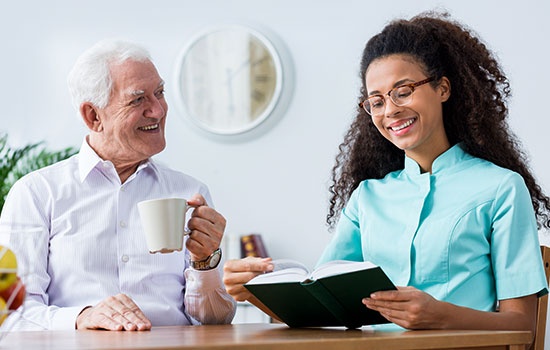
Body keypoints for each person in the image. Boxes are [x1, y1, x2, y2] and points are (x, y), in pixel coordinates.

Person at [223, 11, 550, 335]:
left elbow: (522, 324)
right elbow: (321, 306)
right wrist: (254, 291)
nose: (390, 110)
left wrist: (440, 315)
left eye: (403, 91)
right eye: (376, 101)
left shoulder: (500, 188)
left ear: (443, 89)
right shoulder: (368, 198)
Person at [0, 39, 236, 331]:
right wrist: (81, 317)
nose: (158, 110)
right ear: (93, 116)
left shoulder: (189, 192)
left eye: (159, 93)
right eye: (138, 100)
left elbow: (214, 321)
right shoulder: (36, 193)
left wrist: (205, 262)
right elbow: (12, 314)